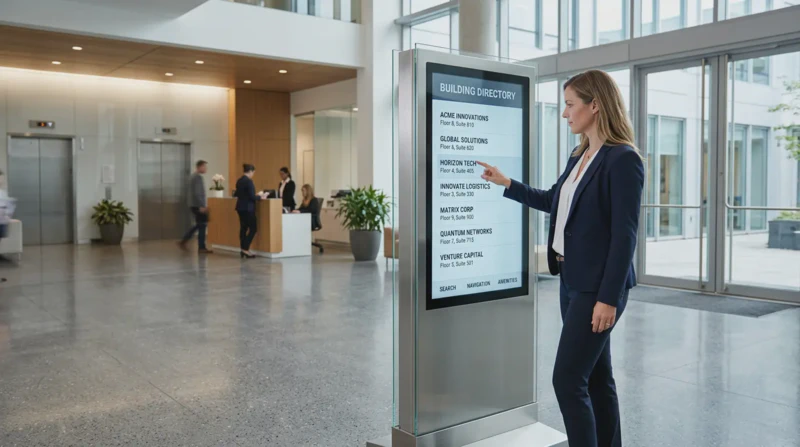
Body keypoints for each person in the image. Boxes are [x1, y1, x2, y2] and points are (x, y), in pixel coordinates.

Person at [478, 70, 644, 447]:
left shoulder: (623, 159)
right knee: (597, 378)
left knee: (567, 380)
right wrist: (508, 183)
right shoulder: (580, 154)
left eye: (570, 104)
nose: (565, 113)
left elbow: (625, 236)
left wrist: (607, 298)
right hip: (571, 280)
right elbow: (554, 200)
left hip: (597, 288)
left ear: (595, 105)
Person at [179, 160, 213, 254]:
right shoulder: (197, 178)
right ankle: (201, 247)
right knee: (202, 224)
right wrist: (202, 205)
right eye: (204, 167)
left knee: (199, 224)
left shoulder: (192, 177)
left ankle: (184, 241)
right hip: (197, 205)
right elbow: (197, 193)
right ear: (200, 167)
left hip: (193, 204)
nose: (206, 169)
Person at [234, 164, 263, 259]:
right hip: (248, 208)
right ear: (250, 171)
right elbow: (252, 197)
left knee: (243, 228)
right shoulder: (249, 181)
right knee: (253, 228)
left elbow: (237, 194)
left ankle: (243, 249)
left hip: (240, 207)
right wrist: (260, 196)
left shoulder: (239, 180)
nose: (253, 174)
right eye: (253, 172)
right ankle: (245, 249)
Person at [292, 184, 323, 253]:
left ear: (308, 191)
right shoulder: (305, 200)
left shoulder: (314, 200)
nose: (302, 193)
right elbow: (301, 208)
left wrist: (300, 211)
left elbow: (311, 210)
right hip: (305, 220)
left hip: (312, 221)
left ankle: (302, 244)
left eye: (303, 191)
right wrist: (296, 210)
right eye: (302, 191)